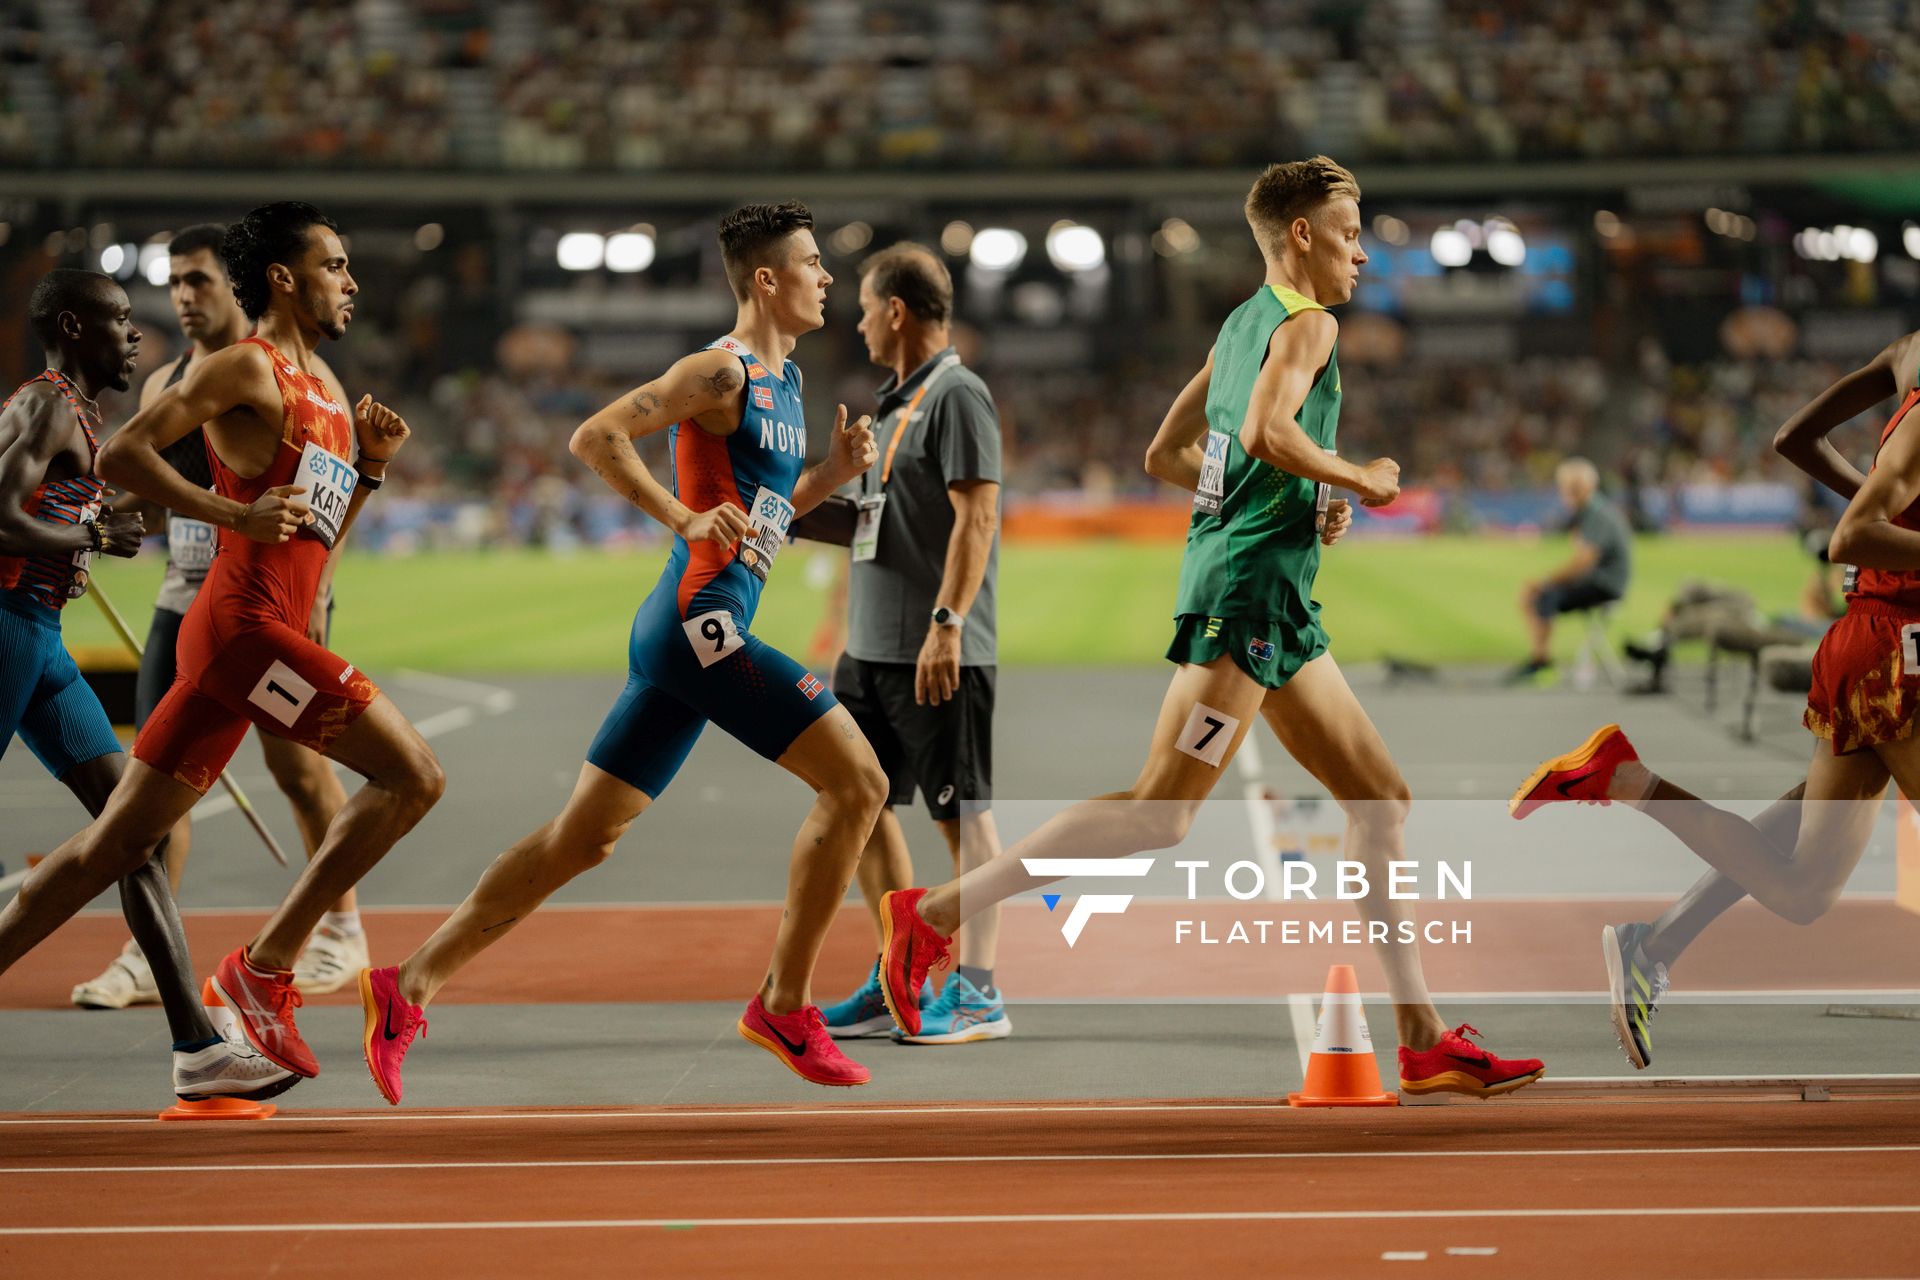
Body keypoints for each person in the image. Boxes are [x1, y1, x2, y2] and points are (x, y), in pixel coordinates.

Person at [873, 158, 1546, 1097]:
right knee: (1160, 811)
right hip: (1247, 602)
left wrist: (1296, 498)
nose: (1362, 251)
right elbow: (1269, 433)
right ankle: (934, 916)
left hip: (1272, 596)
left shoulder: (1240, 325)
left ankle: (1425, 1035)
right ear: (1301, 236)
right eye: (1351, 233)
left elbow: (1167, 454)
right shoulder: (1309, 323)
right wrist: (1359, 478)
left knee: (1381, 802)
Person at [357, 201, 885, 1100]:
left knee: (582, 839)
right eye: (812, 263)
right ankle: (785, 1006)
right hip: (701, 625)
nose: (827, 277)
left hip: (683, 635)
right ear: (767, 278)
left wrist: (831, 477)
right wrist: (679, 515)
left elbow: (760, 512)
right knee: (859, 784)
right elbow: (594, 435)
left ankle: (405, 986)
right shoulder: (720, 374)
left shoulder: (788, 388)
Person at [0, 202, 437, 1088]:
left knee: (113, 848)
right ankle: (264, 969)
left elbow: (316, 536)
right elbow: (123, 453)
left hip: (258, 630)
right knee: (414, 775)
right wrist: (233, 510)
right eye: (337, 265)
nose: (352, 283)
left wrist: (373, 471)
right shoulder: (248, 366)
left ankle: (231, 1012)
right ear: (284, 277)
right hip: (244, 630)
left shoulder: (329, 392)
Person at [1511, 328, 1920, 1070]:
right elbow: (1854, 533)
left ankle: (1631, 798)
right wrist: (1880, 506)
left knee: (1801, 890)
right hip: (1900, 658)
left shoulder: (1907, 353)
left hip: (1870, 648)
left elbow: (1796, 438)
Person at [0, 268, 292, 1101]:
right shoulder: (45, 402)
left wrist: (83, 536)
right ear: (70, 324)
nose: (136, 334)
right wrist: (84, 529)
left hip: (40, 638)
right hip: (6, 629)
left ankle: (197, 1047)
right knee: (135, 832)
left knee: (135, 832)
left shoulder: (75, 413)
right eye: (119, 319)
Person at [71, 224, 360, 1011]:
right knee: (154, 787)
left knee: (299, 770)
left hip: (274, 611)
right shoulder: (172, 376)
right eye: (173, 285)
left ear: (244, 287)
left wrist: (313, 597)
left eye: (197, 281)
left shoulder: (305, 378)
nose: (183, 299)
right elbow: (143, 486)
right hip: (185, 602)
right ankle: (146, 951)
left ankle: (342, 931)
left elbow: (327, 506)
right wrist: (98, 524)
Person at [819, 243, 1010, 1045]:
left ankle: (979, 993)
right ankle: (893, 967)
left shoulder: (958, 395)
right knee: (860, 808)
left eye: (864, 306)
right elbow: (872, 527)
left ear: (896, 310)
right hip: (868, 653)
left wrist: (947, 624)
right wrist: (779, 502)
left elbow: (979, 516)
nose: (857, 321)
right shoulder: (893, 409)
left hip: (934, 652)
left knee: (964, 819)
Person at [1506, 457, 1632, 685]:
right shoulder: (1586, 512)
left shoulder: (1596, 513)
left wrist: (1545, 581)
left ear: (1586, 486)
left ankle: (1541, 662)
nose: (1567, 494)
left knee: (1544, 595)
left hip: (1606, 584)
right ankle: (1540, 658)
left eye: (1572, 488)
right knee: (1537, 594)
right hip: (1600, 580)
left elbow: (1583, 562)